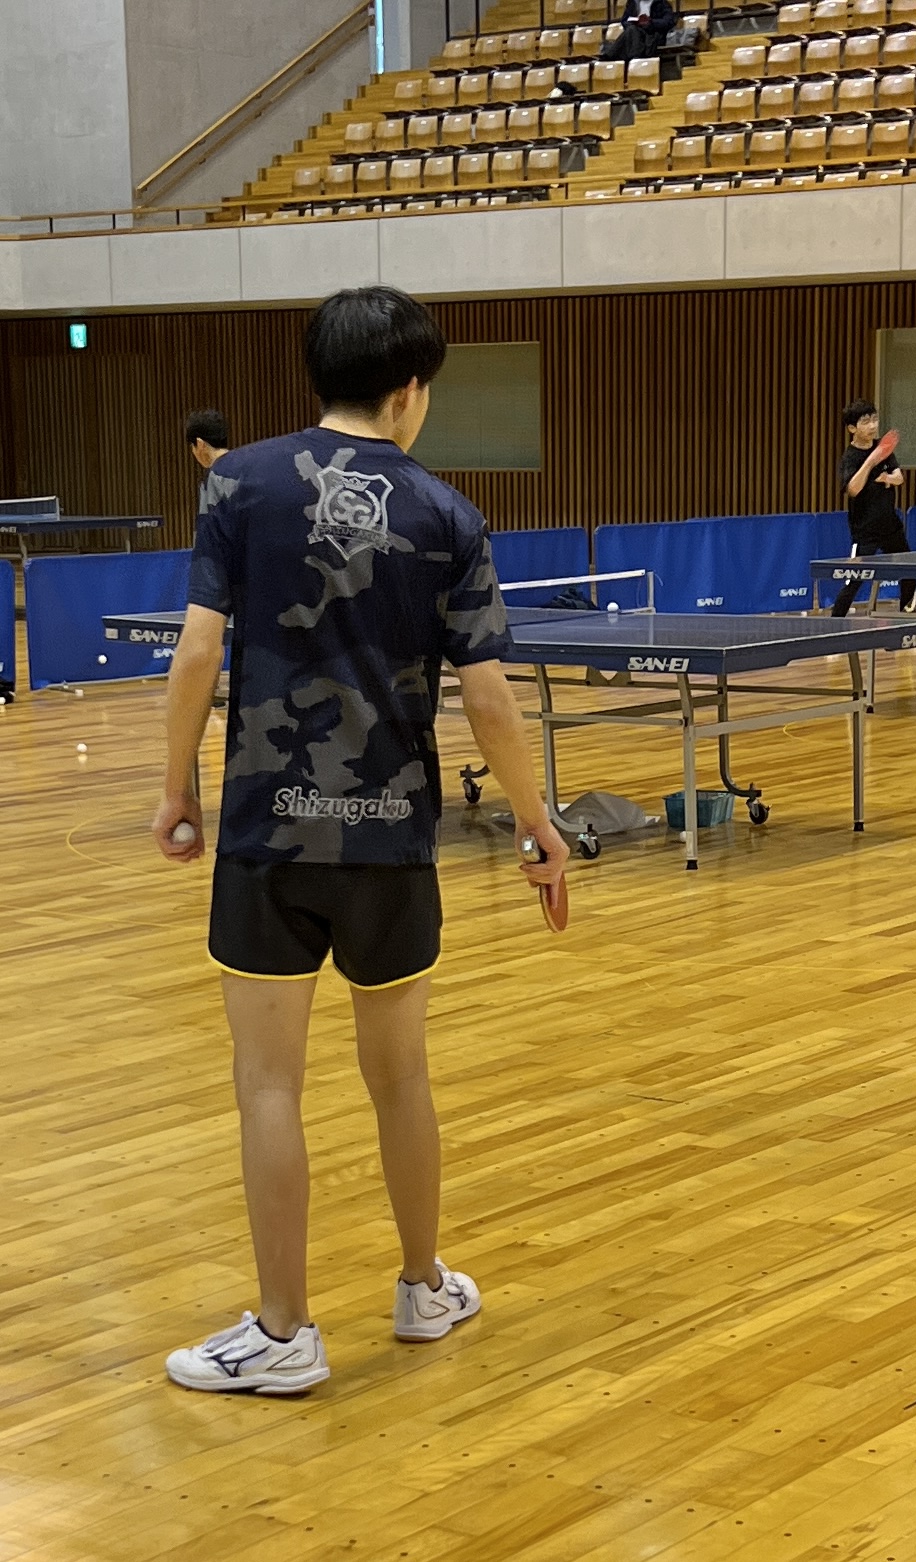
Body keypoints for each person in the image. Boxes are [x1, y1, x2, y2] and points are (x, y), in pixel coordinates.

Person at [154, 286, 568, 1395]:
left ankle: (284, 1332)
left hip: (265, 837)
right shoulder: (448, 513)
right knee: (401, 1076)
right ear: (410, 390)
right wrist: (536, 821)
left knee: (268, 1086)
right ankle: (423, 1286)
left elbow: (197, 655)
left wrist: (176, 791)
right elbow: (489, 697)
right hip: (392, 843)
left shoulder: (237, 484)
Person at [830, 398, 916, 616]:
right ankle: (833, 624)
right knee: (854, 580)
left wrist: (887, 477)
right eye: (865, 421)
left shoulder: (883, 448)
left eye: (874, 420)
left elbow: (899, 478)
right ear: (852, 428)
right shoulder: (850, 457)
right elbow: (853, 489)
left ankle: (906, 620)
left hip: (890, 527)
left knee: (909, 571)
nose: (872, 425)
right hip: (865, 531)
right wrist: (871, 461)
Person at [600, 0, 676, 62]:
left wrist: (651, 22)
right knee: (632, 30)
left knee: (632, 31)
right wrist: (633, 23)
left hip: (652, 34)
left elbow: (669, 21)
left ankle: (609, 55)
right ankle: (634, 57)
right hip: (635, 31)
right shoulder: (633, 2)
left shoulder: (662, 3)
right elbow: (624, 20)